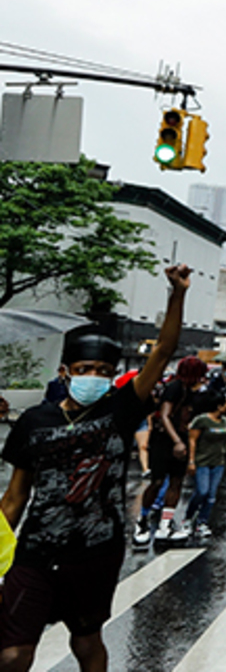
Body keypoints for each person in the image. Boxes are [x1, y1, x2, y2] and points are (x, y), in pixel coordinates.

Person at [0, 264, 190, 672]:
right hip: (34, 555)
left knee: (86, 643)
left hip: (95, 555)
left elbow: (163, 351)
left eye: (104, 372)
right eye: (85, 370)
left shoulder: (119, 409)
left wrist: (177, 294)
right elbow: (15, 497)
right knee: (13, 653)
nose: (94, 378)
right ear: (65, 372)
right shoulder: (35, 421)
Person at [134, 355, 207, 545]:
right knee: (157, 481)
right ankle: (142, 520)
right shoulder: (174, 387)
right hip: (164, 441)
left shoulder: (190, 390)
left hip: (180, 438)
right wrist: (177, 441)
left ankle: (165, 524)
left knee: (176, 482)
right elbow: (164, 416)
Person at [184, 391, 226, 537]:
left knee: (211, 495)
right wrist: (191, 461)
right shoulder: (201, 420)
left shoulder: (225, 421)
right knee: (202, 491)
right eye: (225, 404)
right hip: (202, 461)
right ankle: (188, 518)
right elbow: (192, 440)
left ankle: (202, 521)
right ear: (218, 405)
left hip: (218, 462)